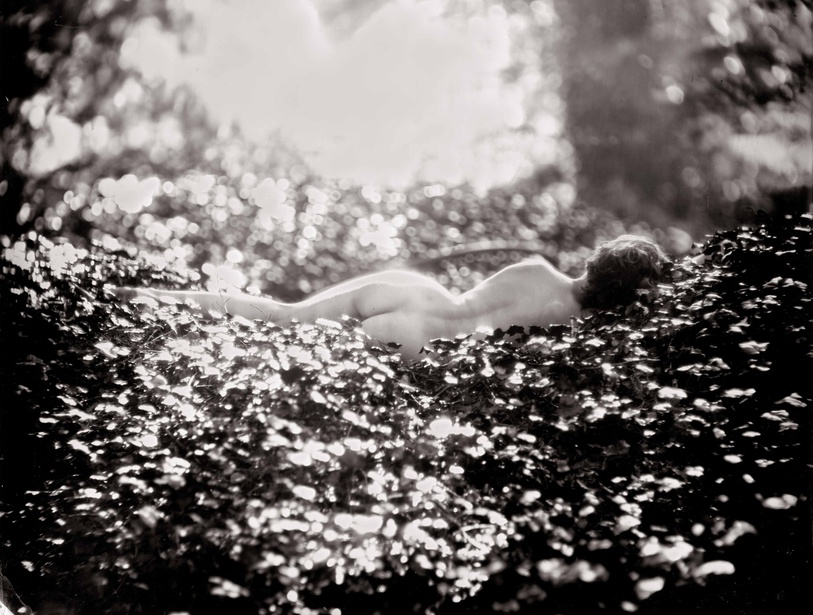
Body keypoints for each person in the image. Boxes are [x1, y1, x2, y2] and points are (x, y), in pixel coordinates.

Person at [116, 235, 667, 361]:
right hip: (419, 340)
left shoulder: (537, 267)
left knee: (282, 316)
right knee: (285, 357)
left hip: (419, 292)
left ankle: (149, 297)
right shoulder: (575, 332)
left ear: (599, 260)